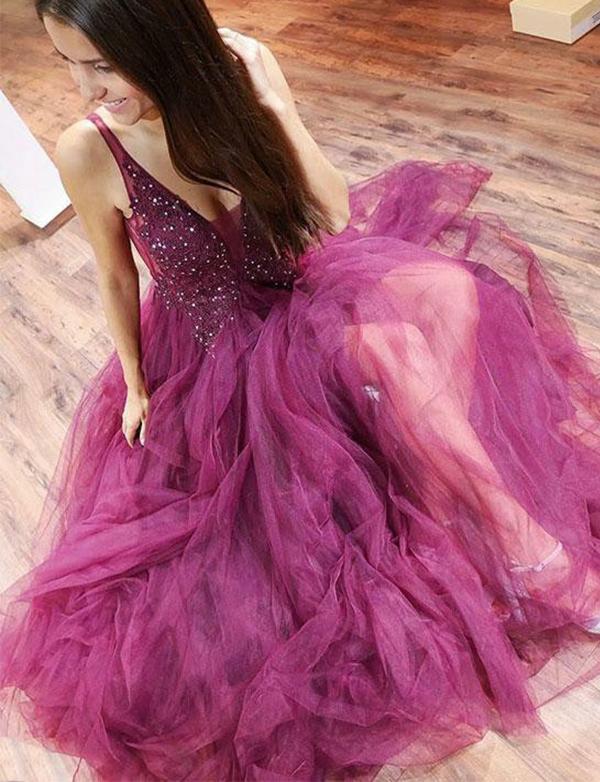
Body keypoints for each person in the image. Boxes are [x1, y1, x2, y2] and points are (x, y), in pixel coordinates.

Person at [1, 1, 600, 781]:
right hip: (215, 350)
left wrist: (277, 105)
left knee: (436, 305)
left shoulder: (235, 103)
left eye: (103, 65)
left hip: (304, 300)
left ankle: (505, 534)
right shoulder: (90, 149)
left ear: (162, 45)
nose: (86, 89)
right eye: (70, 65)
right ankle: (521, 549)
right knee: (394, 359)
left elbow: (335, 216)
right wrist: (137, 383)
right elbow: (116, 275)